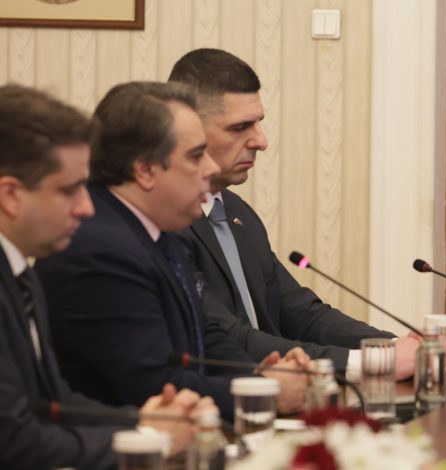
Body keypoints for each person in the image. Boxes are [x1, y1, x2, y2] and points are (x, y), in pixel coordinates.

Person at [35, 81, 310, 421]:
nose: (211, 168)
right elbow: (154, 384)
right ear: (145, 170)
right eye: (196, 156)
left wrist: (258, 377)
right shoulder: (100, 250)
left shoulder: (155, 228)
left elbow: (204, 335)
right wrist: (263, 392)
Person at [168, 48, 419, 380]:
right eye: (240, 127)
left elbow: (302, 315)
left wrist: (395, 347)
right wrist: (373, 363)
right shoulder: (167, 223)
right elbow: (229, 337)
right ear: (190, 130)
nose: (261, 141)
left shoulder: (239, 214)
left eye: (259, 123)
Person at [0, 84, 214, 468]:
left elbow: (55, 403)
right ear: (11, 196)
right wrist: (150, 440)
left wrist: (142, 422)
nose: (86, 207)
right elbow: (14, 442)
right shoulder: (86, 253)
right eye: (70, 191)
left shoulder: (20, 276)